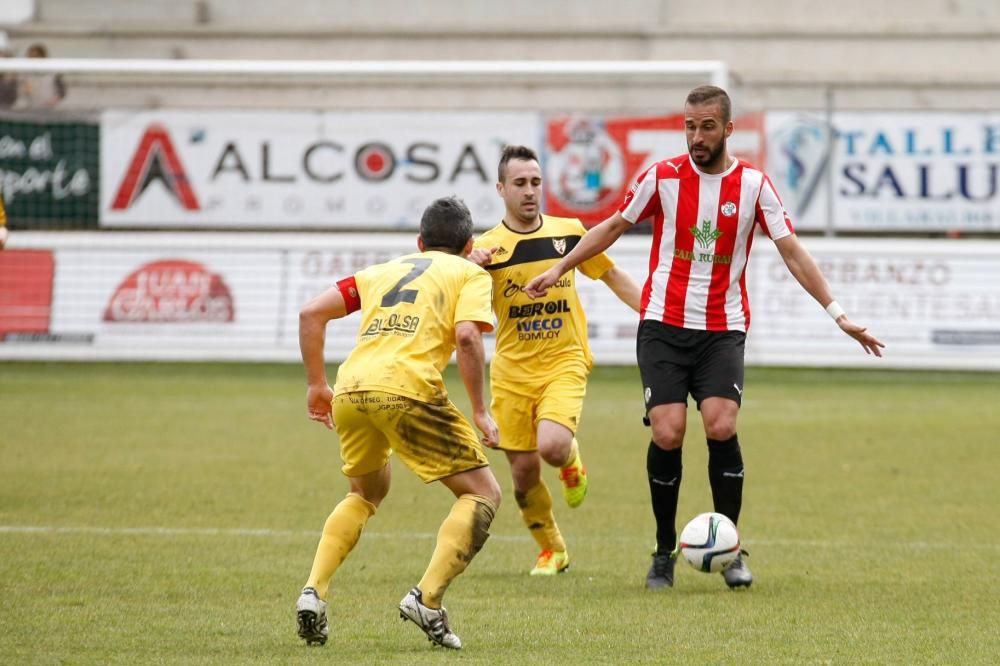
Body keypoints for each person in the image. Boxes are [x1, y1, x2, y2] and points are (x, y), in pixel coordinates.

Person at [525, 86, 884, 591]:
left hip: (722, 328)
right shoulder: (661, 177)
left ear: (728, 130)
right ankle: (663, 550)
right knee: (668, 433)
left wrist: (838, 313)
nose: (696, 136)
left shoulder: (755, 186)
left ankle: (732, 547)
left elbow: (793, 252)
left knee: (720, 424)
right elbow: (609, 227)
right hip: (663, 326)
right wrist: (560, 268)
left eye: (707, 126)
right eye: (690, 126)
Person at [295, 195, 503, 650]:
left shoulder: (382, 271)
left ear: (419, 241)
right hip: (406, 389)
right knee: (483, 493)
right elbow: (468, 336)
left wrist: (316, 385)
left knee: (366, 493)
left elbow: (311, 312)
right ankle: (427, 599)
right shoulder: (470, 272)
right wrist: (480, 410)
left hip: (351, 390)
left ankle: (314, 591)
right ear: (469, 244)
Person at [469, 145, 641, 576]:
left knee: (552, 446)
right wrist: (465, 267)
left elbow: (612, 275)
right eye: (520, 184)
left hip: (564, 359)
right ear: (501, 188)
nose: (530, 192)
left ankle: (569, 458)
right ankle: (553, 549)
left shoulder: (568, 231)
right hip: (511, 371)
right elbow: (454, 305)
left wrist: (656, 311)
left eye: (536, 182)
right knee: (523, 474)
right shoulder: (485, 249)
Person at [17, 43, 66, 109]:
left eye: (36, 56)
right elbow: (20, 94)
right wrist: (25, 90)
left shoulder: (53, 73)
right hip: (31, 109)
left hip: (50, 109)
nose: (33, 60)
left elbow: (62, 92)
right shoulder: (25, 75)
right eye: (31, 57)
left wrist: (53, 102)